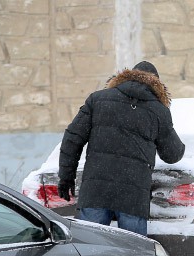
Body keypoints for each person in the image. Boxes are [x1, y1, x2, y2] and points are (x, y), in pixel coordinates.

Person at [57, 61, 185, 236]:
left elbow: (72, 139)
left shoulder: (98, 99)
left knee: (90, 249)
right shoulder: (158, 111)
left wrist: (66, 178)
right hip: (133, 198)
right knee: (132, 252)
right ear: (156, 84)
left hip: (96, 192)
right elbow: (172, 155)